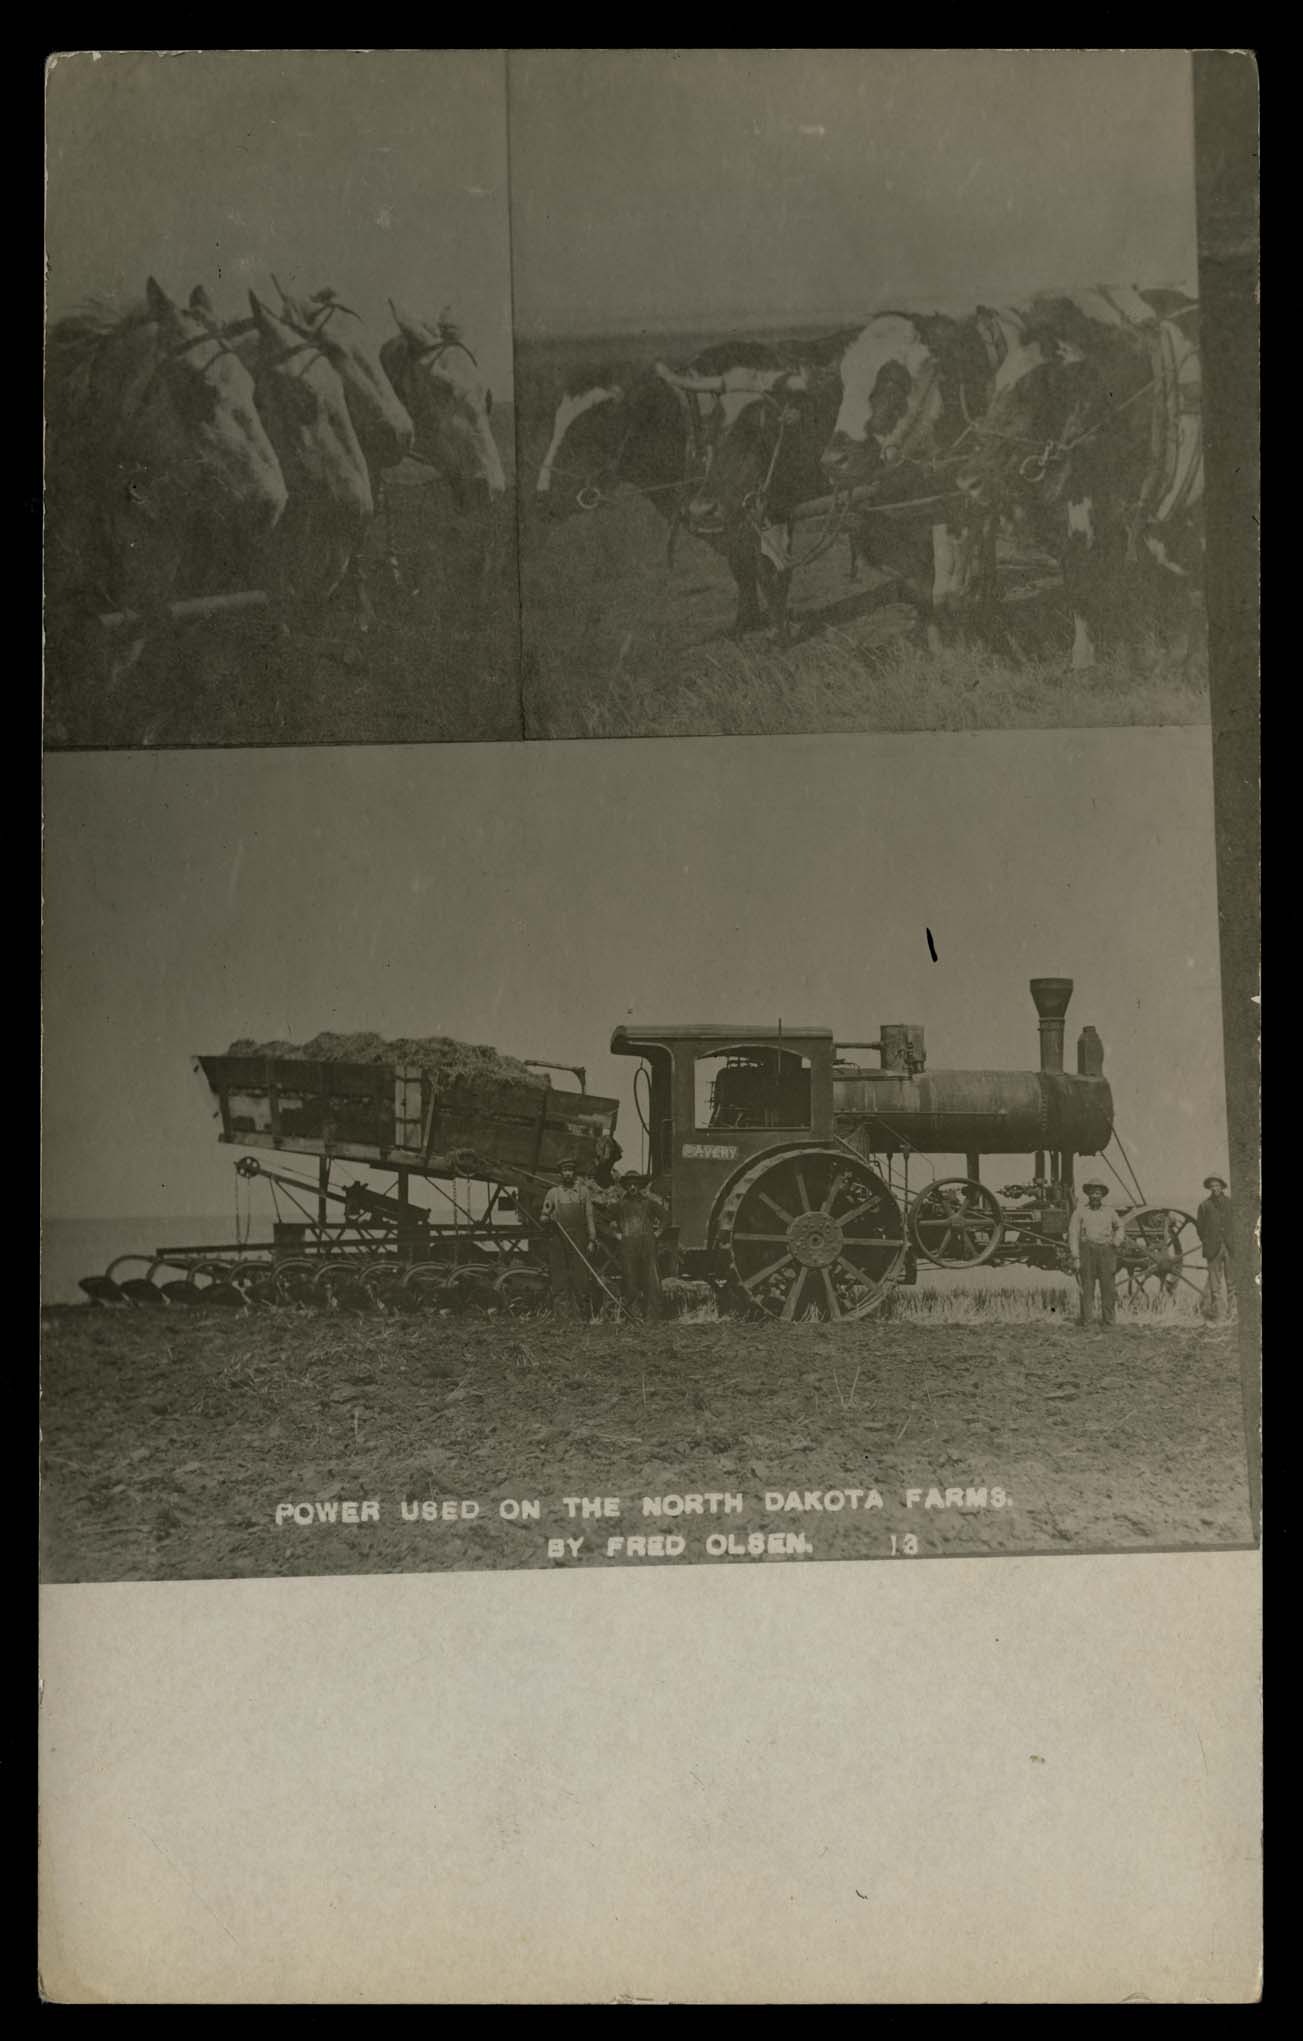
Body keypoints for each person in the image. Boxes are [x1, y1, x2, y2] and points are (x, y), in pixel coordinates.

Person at [540, 1157, 597, 1318]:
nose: (568, 1173)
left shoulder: (583, 1192)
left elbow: (589, 1217)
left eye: (570, 1170)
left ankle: (583, 1316)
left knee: (581, 1277)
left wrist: (592, 1240)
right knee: (560, 1277)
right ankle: (562, 1317)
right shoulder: (553, 1193)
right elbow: (543, 1217)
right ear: (560, 1173)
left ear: (574, 1173)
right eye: (565, 1170)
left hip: (579, 1238)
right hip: (558, 1239)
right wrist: (549, 1219)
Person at [1067, 1180, 1126, 1328]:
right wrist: (1075, 1257)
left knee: (1108, 1288)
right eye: (1092, 1193)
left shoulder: (1109, 1211)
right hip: (1087, 1251)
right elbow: (1073, 1234)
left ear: (1102, 1195)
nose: (1095, 1196)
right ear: (1088, 1194)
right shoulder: (1079, 1212)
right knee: (1087, 1287)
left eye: (1098, 1193)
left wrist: (1116, 1241)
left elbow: (1120, 1226)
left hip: (1106, 1251)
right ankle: (1088, 1322)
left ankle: (1109, 1322)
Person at [615, 1171, 666, 1320]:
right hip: (628, 1246)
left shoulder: (648, 1203)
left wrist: (657, 1233)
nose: (632, 1187)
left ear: (640, 1186)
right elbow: (601, 1221)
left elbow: (665, 1217)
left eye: (635, 1184)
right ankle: (633, 1316)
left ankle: (653, 1316)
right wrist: (616, 1235)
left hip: (647, 1246)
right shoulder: (620, 1205)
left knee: (652, 1281)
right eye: (629, 1185)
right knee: (630, 1281)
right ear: (625, 1187)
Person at [1196, 1175, 1234, 1322]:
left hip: (1230, 1248)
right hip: (1213, 1250)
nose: (1214, 1188)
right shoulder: (1204, 1206)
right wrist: (1208, 1242)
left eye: (1217, 1185)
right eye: (1211, 1186)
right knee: (1215, 1286)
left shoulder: (1231, 1203)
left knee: (1232, 1284)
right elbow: (1200, 1229)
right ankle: (1218, 1316)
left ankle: (1233, 1315)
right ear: (1209, 1188)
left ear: (1222, 1187)